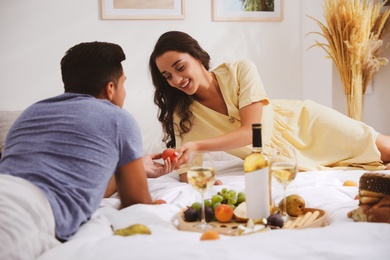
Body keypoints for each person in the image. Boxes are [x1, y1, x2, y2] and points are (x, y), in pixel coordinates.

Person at [0, 41, 174, 260]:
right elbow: (136, 201)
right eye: (123, 84)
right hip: (28, 212)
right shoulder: (119, 118)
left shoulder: (31, 112)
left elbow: (80, 181)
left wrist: (135, 166)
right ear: (110, 88)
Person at [148, 31, 390, 183]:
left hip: (305, 124)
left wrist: (199, 146)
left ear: (197, 57)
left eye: (180, 67)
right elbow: (187, 172)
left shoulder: (240, 70)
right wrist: (177, 164)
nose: (176, 80)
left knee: (381, 147)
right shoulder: (184, 113)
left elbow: (253, 131)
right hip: (277, 161)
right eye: (167, 76)